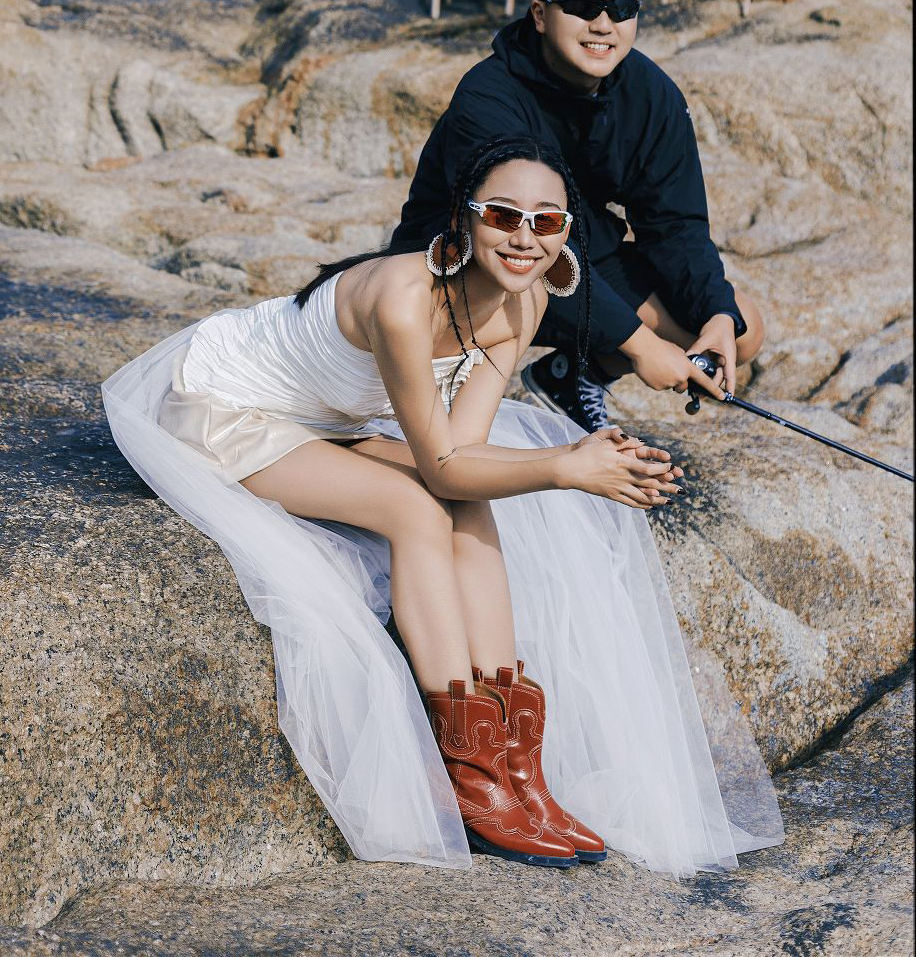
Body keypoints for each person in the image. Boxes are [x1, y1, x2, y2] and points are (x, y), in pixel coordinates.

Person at [102, 136, 782, 876]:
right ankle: (472, 775)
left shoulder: (522, 306)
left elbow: (464, 456)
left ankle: (517, 764)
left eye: (547, 222)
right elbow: (440, 467)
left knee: (468, 506)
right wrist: (566, 466)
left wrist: (584, 460)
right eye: (503, 215)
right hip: (223, 406)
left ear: (565, 235)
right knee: (415, 509)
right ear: (464, 220)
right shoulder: (403, 296)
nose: (524, 237)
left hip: (327, 421)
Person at [389, 0, 766, 434]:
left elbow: (676, 226)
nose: (604, 24)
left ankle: (572, 377)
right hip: (478, 265)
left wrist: (718, 314)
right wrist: (641, 345)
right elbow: (516, 242)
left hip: (581, 253)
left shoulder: (651, 95)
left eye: (622, 9)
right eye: (583, 7)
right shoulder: (488, 97)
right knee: (530, 273)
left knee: (740, 329)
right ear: (540, 14)